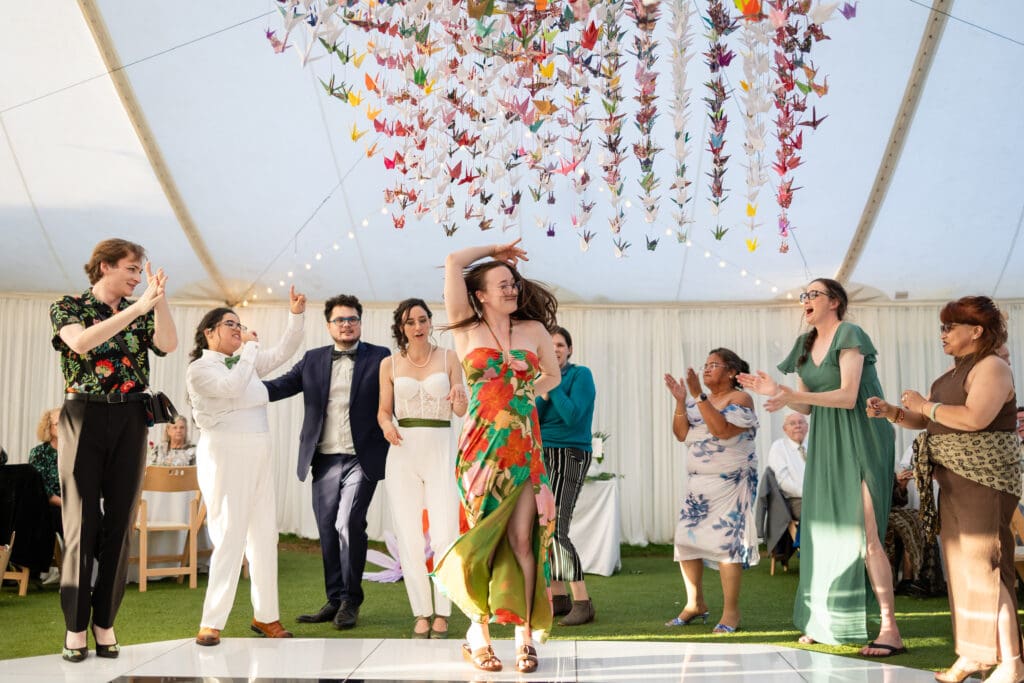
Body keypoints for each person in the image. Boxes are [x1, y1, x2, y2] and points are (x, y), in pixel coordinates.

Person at [738, 278, 904, 656]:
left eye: (813, 294)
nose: (805, 301)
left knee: (867, 534)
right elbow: (809, 407)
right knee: (823, 532)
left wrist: (790, 394)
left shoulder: (850, 333)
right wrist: (775, 392)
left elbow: (847, 397)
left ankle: (890, 629)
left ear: (835, 302)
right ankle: (825, 620)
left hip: (862, 435)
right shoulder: (804, 346)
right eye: (803, 296)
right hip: (827, 441)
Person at [867, 296, 1023, 683]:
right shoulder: (956, 371)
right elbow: (929, 421)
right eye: (943, 327)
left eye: (950, 326)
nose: (943, 334)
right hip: (953, 483)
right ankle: (973, 655)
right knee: (964, 571)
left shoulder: (993, 367)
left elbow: (974, 419)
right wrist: (893, 412)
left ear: (976, 331)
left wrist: (926, 405)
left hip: (983, 482)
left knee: (986, 571)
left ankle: (1011, 664)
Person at [431, 239, 560, 675]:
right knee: (480, 542)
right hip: (478, 451)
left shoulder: (534, 331)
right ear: (480, 294)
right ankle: (478, 634)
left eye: (514, 284)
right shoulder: (466, 329)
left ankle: (524, 635)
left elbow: (551, 376)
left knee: (523, 541)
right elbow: (453, 261)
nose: (512, 289)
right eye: (502, 284)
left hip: (525, 448)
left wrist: (522, 396)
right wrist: (497, 251)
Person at [50, 238, 178, 662]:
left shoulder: (139, 309)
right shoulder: (67, 307)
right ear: (104, 266)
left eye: (141, 272)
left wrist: (157, 302)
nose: (137, 277)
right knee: (81, 524)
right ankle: (74, 628)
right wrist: (137, 308)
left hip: (131, 418)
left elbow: (169, 344)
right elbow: (81, 344)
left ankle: (104, 623)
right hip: (82, 416)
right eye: (131, 269)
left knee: (120, 524)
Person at [186, 286, 306, 646]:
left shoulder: (247, 362)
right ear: (210, 332)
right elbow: (233, 388)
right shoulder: (199, 369)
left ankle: (266, 616)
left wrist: (296, 316)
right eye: (230, 324)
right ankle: (212, 621)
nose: (238, 329)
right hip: (225, 455)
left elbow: (285, 350)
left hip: (259, 453)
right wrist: (250, 347)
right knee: (228, 537)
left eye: (240, 325)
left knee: (264, 536)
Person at [265, 293, 390, 630]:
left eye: (352, 319)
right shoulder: (313, 359)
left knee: (349, 523)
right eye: (340, 320)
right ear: (328, 326)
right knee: (326, 528)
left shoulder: (381, 357)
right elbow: (279, 387)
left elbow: (398, 392)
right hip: (323, 458)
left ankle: (351, 600)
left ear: (360, 323)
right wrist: (238, 387)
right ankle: (334, 599)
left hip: (362, 458)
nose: (346, 324)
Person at [377, 298, 467, 639]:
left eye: (422, 319)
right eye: (410, 321)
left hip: (441, 448)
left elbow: (460, 410)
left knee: (445, 533)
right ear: (402, 328)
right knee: (409, 535)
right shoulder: (389, 364)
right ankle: (421, 612)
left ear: (430, 322)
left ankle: (443, 611)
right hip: (402, 451)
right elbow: (384, 411)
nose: (417, 326)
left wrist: (459, 397)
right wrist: (386, 425)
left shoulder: (449, 357)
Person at [663, 348, 758, 634]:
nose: (706, 369)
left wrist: (698, 396)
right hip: (699, 485)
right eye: (705, 364)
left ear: (731, 372)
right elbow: (681, 433)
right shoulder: (696, 402)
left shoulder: (740, 398)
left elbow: (720, 430)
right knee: (686, 541)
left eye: (714, 365)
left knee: (726, 545)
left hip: (730, 484)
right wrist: (682, 401)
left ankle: (731, 613)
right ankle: (695, 604)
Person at [535, 326, 596, 626]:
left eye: (560, 344)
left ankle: (582, 601)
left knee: (557, 527)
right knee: (543, 526)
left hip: (570, 453)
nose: (555, 349)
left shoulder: (580, 375)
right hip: (541, 455)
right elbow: (532, 417)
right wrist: (544, 391)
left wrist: (553, 386)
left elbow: (572, 416)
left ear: (569, 349)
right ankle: (558, 598)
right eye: (549, 345)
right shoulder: (541, 381)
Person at [766, 412, 807, 519]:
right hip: (795, 500)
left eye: (801, 422)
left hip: (816, 498)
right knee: (823, 509)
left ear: (807, 427)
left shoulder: (812, 446)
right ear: (785, 429)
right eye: (792, 423)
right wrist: (807, 494)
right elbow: (783, 482)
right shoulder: (779, 447)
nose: (798, 426)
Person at [28, 408, 62, 532]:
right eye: (58, 424)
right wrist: (67, 506)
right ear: (49, 428)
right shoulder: (38, 453)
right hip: (49, 507)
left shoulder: (77, 452)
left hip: (74, 507)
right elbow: (41, 488)